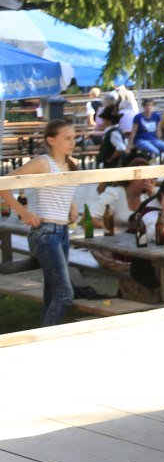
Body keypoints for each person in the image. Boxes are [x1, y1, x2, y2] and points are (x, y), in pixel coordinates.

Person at [0, 120, 82, 325]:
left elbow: (61, 189)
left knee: (54, 291)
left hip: (62, 231)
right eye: (67, 138)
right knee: (64, 294)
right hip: (46, 232)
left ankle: (44, 335)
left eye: (74, 138)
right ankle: (46, 338)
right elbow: (3, 184)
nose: (73, 142)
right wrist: (23, 212)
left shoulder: (71, 164)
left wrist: (71, 206)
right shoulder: (43, 162)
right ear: (51, 140)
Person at [131, 97, 164, 163]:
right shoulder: (138, 117)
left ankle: (163, 163)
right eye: (147, 105)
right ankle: (148, 164)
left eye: (150, 105)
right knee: (156, 152)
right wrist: (129, 145)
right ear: (144, 106)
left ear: (153, 106)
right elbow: (133, 131)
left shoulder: (156, 116)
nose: (149, 107)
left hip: (154, 139)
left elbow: (158, 130)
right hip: (141, 140)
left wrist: (159, 140)